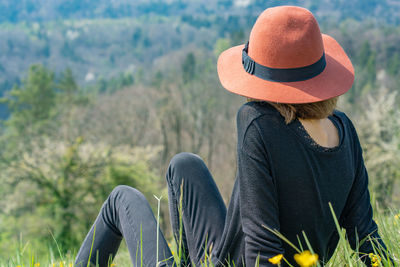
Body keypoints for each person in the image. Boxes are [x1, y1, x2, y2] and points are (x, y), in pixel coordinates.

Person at [74, 6, 389, 267]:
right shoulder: (345, 130)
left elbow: (263, 245)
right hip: (227, 258)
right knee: (184, 165)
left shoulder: (258, 123)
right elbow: (365, 234)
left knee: (121, 199)